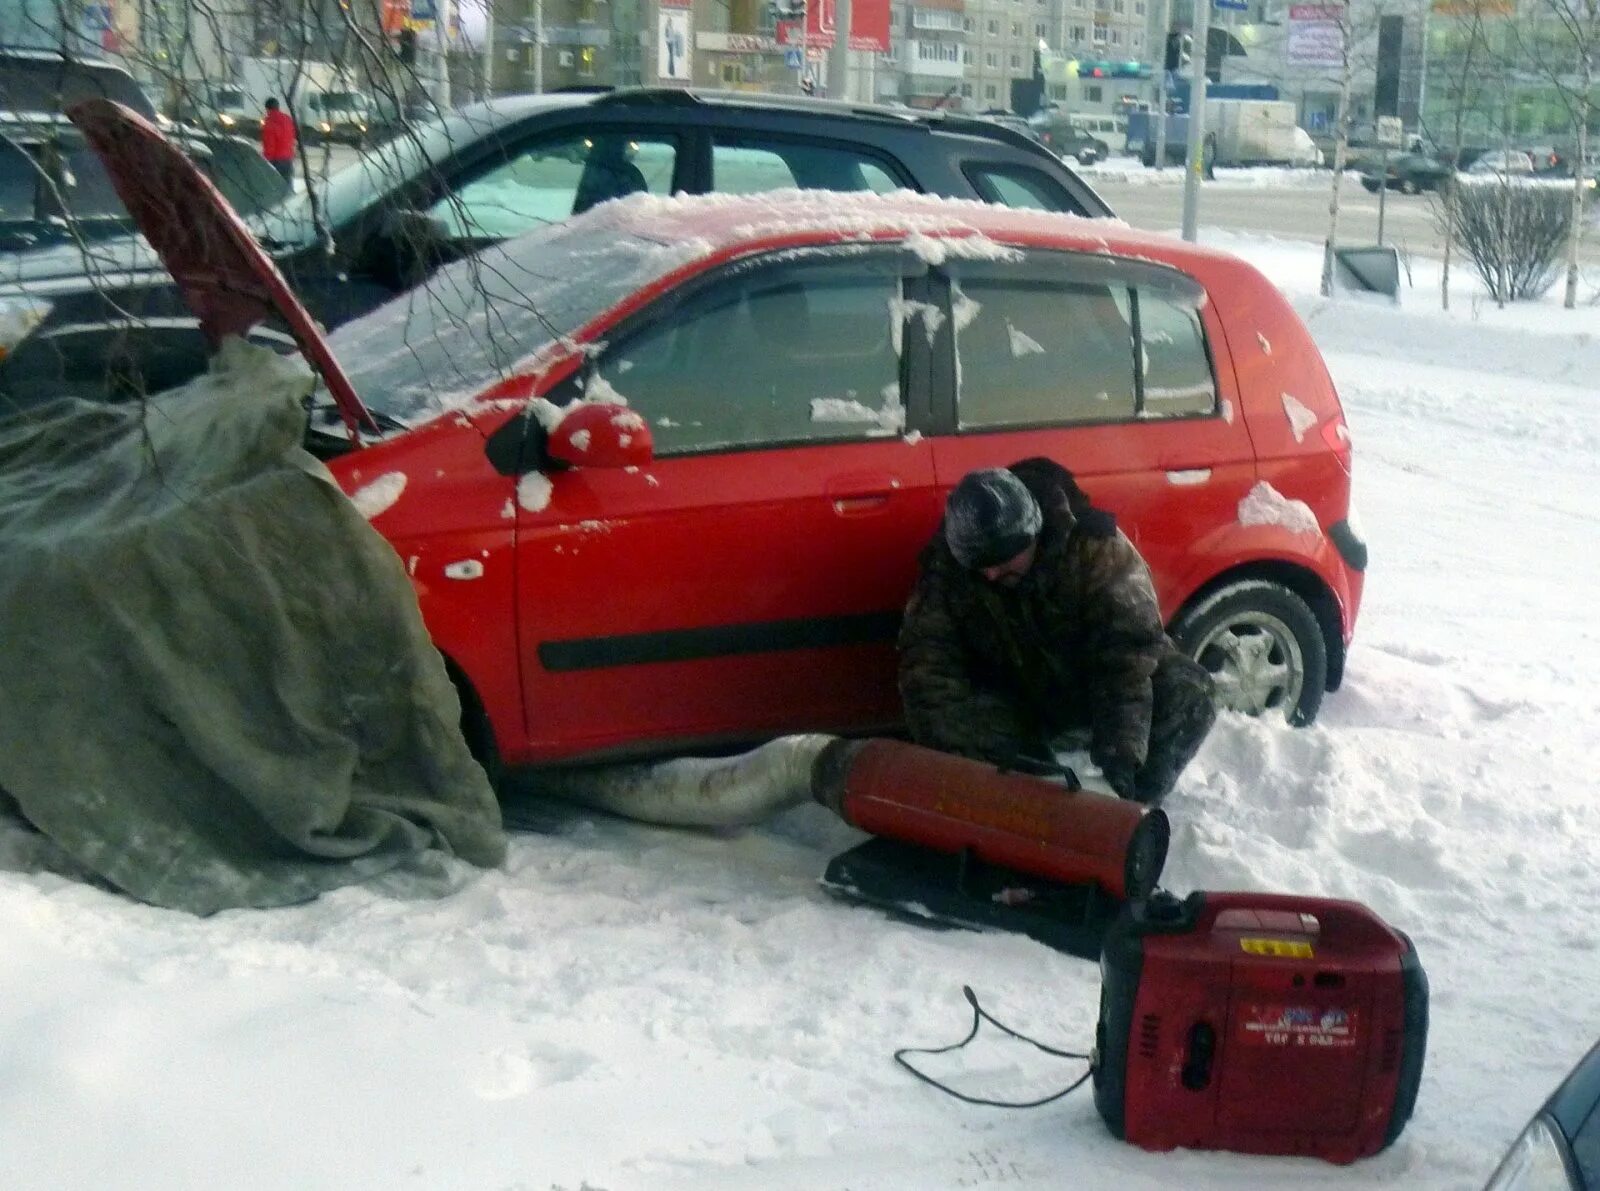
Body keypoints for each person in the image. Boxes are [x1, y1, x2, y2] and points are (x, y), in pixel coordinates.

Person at [897, 457, 1216, 805]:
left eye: (1003, 559)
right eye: (981, 565)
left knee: (1188, 691)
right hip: (1014, 702)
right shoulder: (947, 570)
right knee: (951, 716)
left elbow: (1128, 654)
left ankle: (1131, 805)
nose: (991, 574)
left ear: (1033, 536)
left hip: (1090, 690)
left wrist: (1122, 753)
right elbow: (927, 668)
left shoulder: (1095, 549)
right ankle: (1023, 797)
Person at [260, 97, 296, 183]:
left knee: (274, 185)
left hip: (276, 160)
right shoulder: (288, 119)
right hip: (288, 158)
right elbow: (292, 136)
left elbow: (270, 145)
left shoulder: (270, 122)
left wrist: (266, 161)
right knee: (287, 185)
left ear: (267, 109)